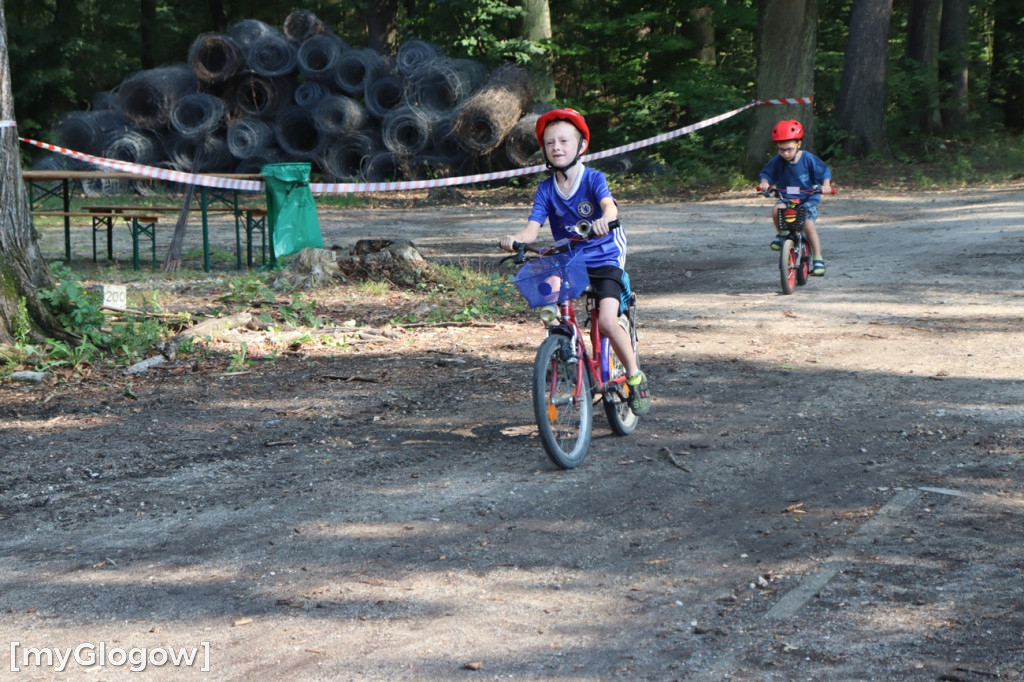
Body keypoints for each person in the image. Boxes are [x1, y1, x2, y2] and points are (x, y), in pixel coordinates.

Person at [499, 107, 651, 416]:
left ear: (581, 146)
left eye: (564, 141)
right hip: (571, 258)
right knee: (548, 305)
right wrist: (515, 239)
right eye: (550, 142)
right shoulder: (545, 190)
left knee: (607, 321)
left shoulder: (593, 178)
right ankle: (565, 350)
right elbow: (532, 229)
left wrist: (605, 221)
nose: (557, 147)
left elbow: (610, 208)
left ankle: (635, 376)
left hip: (606, 252)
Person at [757, 119, 832, 276]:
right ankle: (782, 235)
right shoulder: (778, 161)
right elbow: (767, 174)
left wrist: (826, 185)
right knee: (777, 209)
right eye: (781, 150)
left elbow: (824, 172)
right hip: (787, 197)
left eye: (789, 149)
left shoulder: (807, 158)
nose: (785, 153)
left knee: (808, 225)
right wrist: (765, 183)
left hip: (807, 199)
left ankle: (818, 259)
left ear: (799, 144)